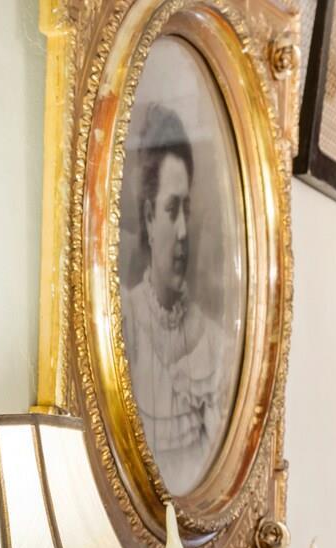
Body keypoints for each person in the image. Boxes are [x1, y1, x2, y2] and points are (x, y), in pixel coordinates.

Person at [123, 103, 229, 495]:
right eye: (171, 210)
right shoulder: (121, 324)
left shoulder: (215, 342)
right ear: (150, 218)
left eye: (187, 209)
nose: (183, 230)